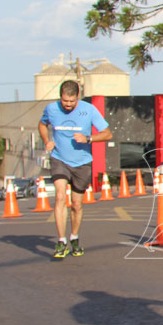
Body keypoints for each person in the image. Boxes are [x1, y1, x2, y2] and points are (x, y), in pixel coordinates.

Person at [38, 80, 113, 259]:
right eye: (65, 101)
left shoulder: (89, 110)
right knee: (59, 196)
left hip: (82, 162)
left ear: (77, 97)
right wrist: (47, 140)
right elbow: (42, 124)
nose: (68, 105)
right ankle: (62, 240)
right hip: (59, 159)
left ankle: (74, 237)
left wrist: (88, 139)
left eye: (72, 101)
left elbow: (108, 134)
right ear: (60, 97)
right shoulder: (51, 109)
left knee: (77, 205)